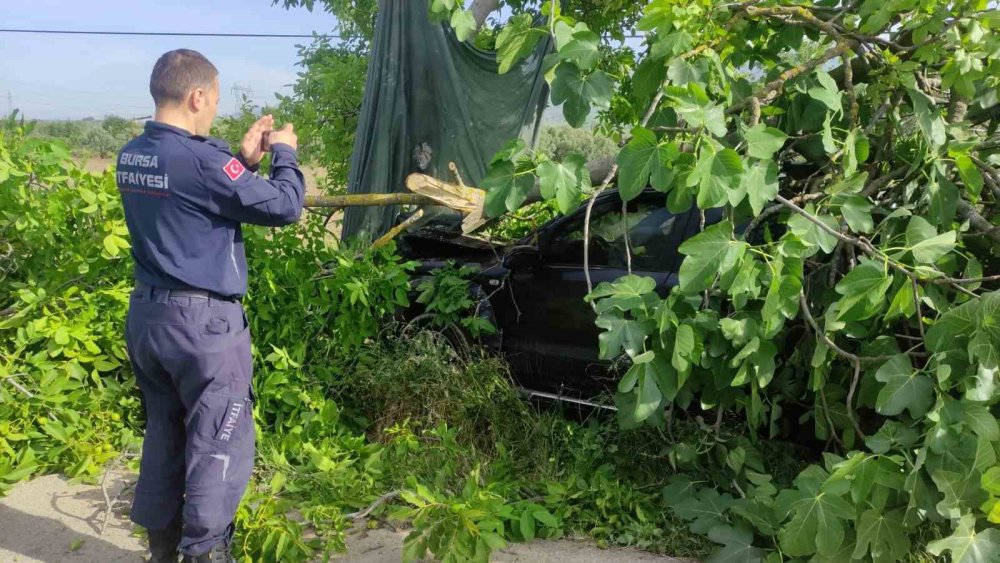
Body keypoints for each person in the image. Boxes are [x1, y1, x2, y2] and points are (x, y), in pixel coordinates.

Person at [117, 49, 305, 563]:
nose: (214, 112)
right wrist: (283, 152)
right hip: (202, 328)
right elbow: (285, 206)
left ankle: (162, 551)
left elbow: (192, 196)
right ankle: (205, 553)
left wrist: (241, 161)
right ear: (197, 96)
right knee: (219, 443)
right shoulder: (202, 162)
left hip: (149, 321)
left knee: (164, 434)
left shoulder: (132, 154)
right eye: (215, 101)